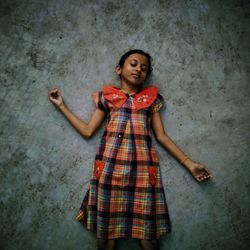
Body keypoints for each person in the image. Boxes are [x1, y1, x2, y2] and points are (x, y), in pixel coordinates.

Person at [48, 49, 212, 250]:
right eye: (133, 64)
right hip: (108, 173)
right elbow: (88, 130)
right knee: (106, 236)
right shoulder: (107, 98)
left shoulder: (151, 100)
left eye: (144, 68)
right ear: (119, 69)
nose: (138, 70)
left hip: (143, 174)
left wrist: (189, 163)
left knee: (148, 236)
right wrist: (62, 106)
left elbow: (161, 136)